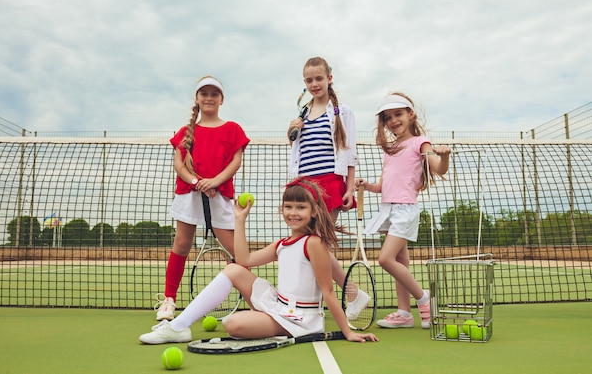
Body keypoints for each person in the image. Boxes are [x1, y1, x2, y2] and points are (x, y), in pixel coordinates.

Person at [139, 177, 379, 344]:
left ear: (314, 211)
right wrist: (239, 219)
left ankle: (180, 328)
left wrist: (347, 332)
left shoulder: (314, 243)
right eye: (288, 206)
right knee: (233, 269)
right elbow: (244, 259)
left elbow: (327, 291)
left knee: (233, 324)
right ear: (281, 209)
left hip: (301, 319)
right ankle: (178, 327)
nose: (293, 212)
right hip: (279, 304)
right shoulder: (282, 244)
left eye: (300, 207)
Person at [154, 76, 250, 321]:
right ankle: (168, 301)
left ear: (221, 99)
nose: (209, 97)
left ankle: (254, 299)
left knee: (236, 251)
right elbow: (179, 164)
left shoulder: (233, 129)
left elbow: (236, 161)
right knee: (182, 244)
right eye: (204, 93)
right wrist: (197, 182)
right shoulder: (185, 132)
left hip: (221, 195)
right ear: (197, 98)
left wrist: (215, 181)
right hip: (189, 194)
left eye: (214, 94)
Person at [356, 92, 450, 329]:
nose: (393, 120)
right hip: (388, 210)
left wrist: (445, 156)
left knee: (385, 259)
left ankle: (423, 298)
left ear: (410, 114)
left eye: (398, 114)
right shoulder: (391, 149)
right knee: (400, 261)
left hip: (405, 210)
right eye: (388, 118)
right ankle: (404, 313)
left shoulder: (421, 142)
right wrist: (366, 186)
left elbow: (439, 169)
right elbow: (383, 187)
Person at [287, 56, 369, 320]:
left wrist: (348, 188)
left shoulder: (342, 111)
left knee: (319, 246)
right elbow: (300, 152)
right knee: (306, 245)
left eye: (318, 78)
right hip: (303, 187)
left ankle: (349, 294)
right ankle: (329, 298)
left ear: (329, 78)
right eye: (309, 80)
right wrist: (291, 131)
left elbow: (349, 150)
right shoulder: (301, 115)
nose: (314, 84)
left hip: (330, 185)